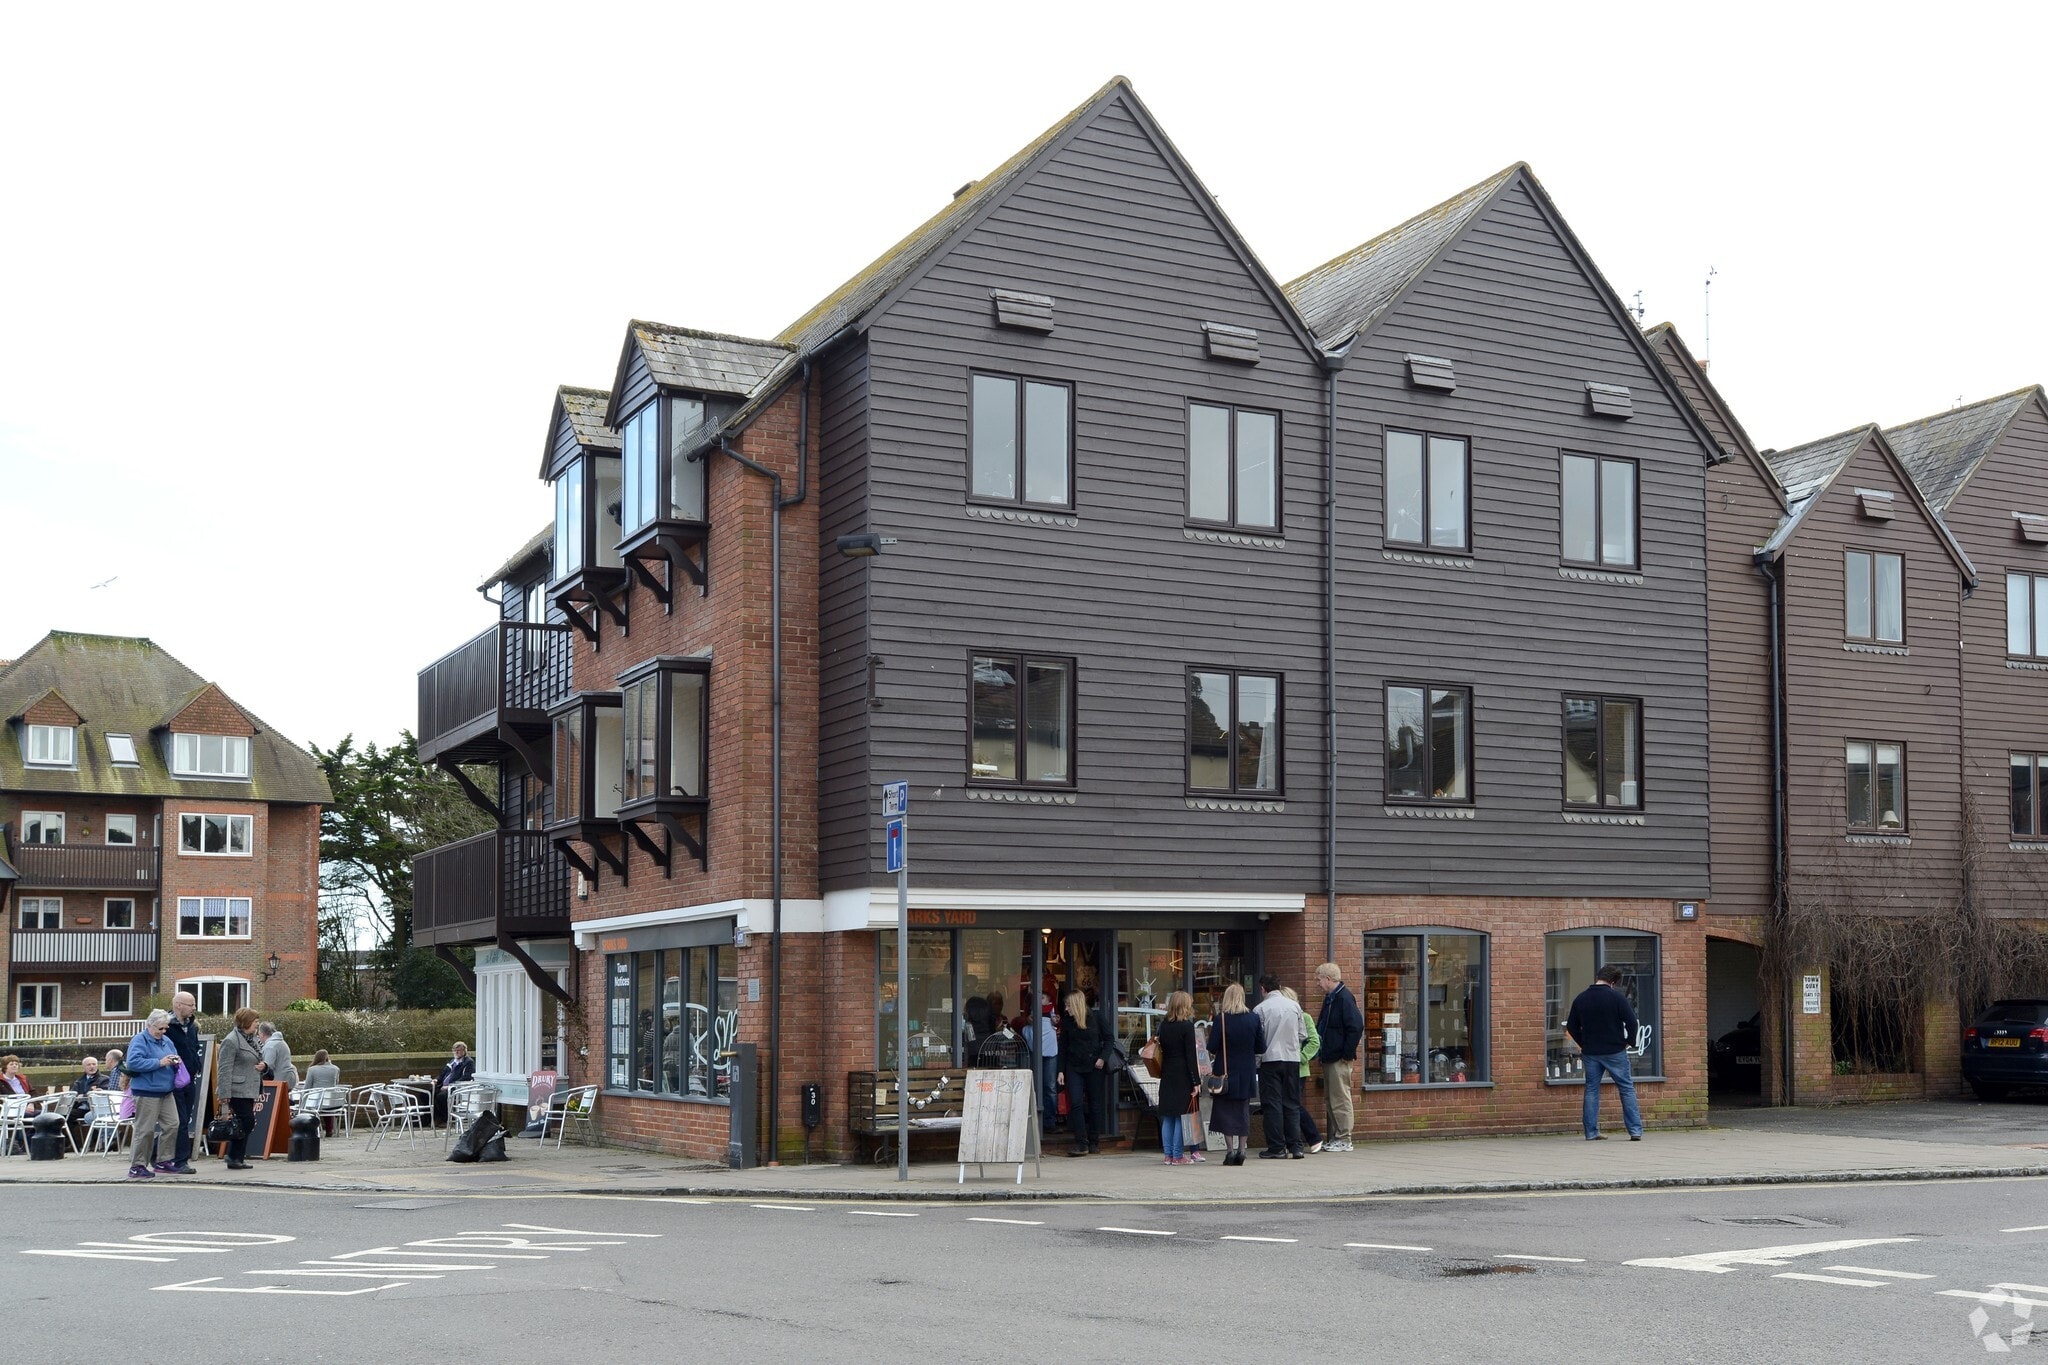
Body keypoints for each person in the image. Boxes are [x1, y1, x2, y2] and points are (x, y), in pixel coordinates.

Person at [1565, 964, 1643, 1141]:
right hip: (1615, 1050)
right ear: (1613, 982)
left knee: (1592, 1090)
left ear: (1598, 977)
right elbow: (1632, 1022)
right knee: (1626, 1088)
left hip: (1591, 1052)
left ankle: (1591, 1132)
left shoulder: (1581, 998)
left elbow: (1571, 1026)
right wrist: (1629, 1042)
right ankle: (1635, 1131)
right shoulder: (1616, 997)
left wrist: (1584, 1043)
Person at [1206, 983, 1265, 1166]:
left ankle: (1230, 1151)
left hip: (1225, 1072)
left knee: (1225, 1111)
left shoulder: (1221, 1019)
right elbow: (1261, 1047)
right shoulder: (1253, 1019)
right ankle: (1242, 1150)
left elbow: (1212, 1047)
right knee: (1243, 1111)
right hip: (1246, 1071)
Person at [124, 1010, 187, 1178]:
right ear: (149, 1025)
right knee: (145, 1130)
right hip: (146, 1091)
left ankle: (163, 1161)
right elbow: (133, 1063)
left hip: (166, 1090)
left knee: (173, 1124)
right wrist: (159, 1062)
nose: (163, 1032)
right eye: (160, 1028)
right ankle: (137, 1165)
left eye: (165, 1028)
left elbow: (174, 1055)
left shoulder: (166, 1041)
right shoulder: (139, 1040)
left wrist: (176, 1060)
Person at [1253, 973, 1308, 1159]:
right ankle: (1296, 1147)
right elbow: (1302, 1035)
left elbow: (1258, 1041)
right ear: (1279, 985)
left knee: (1272, 1105)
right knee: (1292, 1103)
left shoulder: (1260, 1009)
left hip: (1270, 1060)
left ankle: (1277, 1147)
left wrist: (1257, 1061)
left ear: (1263, 988)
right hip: (1291, 1059)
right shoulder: (1294, 1006)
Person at [1315, 962, 1363, 1153]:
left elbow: (1356, 1026)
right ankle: (1338, 1136)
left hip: (1338, 1058)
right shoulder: (1333, 998)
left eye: (1318, 979)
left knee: (1340, 1098)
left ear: (1328, 979)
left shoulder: (1343, 998)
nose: (1317, 983)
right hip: (1331, 1055)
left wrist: (1346, 1053)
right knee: (1331, 1098)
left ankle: (1344, 1138)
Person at [1058, 990, 1111, 1156]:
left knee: (1095, 1104)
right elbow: (1063, 1048)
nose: (1066, 1009)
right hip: (1074, 1066)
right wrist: (1060, 1070)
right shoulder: (1067, 1022)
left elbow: (1109, 1039)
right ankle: (1081, 1143)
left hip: (1095, 1066)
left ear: (1076, 1004)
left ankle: (1094, 1141)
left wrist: (1103, 1058)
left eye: (1068, 1005)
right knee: (1075, 1103)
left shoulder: (1096, 1017)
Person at [1152, 991, 1200, 1166]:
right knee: (1181, 1114)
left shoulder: (1164, 1025)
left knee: (1169, 1116)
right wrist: (1196, 1082)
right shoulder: (1186, 1026)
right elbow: (1191, 1057)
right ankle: (1178, 1155)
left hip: (1167, 1072)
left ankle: (1168, 1155)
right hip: (1182, 1074)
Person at [216, 1008, 265, 1171]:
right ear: (246, 1021)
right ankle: (234, 1155)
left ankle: (237, 1157)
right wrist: (224, 1094)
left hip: (250, 1088)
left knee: (244, 1122)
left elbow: (258, 1059)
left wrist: (264, 1066)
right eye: (255, 1021)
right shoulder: (231, 1041)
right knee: (247, 1121)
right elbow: (224, 1068)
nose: (257, 1024)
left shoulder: (253, 1039)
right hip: (236, 1089)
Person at [1279, 987, 1323, 1153]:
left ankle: (1314, 1137)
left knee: (1293, 1105)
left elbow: (1314, 1041)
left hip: (1298, 1069)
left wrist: (1301, 1058)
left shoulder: (1304, 1017)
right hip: (1282, 1066)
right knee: (1286, 1105)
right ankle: (1291, 1140)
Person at [164, 990, 203, 1174]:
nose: (194, 1008)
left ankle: (156, 1152)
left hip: (190, 1080)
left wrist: (197, 1066)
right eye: (191, 1004)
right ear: (178, 1005)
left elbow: (193, 1048)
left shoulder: (192, 1026)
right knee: (179, 1122)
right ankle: (180, 1161)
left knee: (184, 1120)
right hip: (174, 1081)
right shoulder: (166, 1027)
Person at [434, 1042, 474, 1125]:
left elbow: (466, 1078)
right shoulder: (453, 1061)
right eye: (455, 1050)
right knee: (426, 1095)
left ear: (464, 1051)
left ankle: (447, 1119)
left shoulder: (468, 1062)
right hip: (443, 1086)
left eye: (459, 1050)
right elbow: (443, 1074)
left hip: (456, 1088)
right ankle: (434, 1118)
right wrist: (436, 1080)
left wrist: (449, 1086)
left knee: (441, 1097)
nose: (456, 1052)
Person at [256, 1021, 298, 1092]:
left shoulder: (270, 1046)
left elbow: (268, 1067)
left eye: (259, 1034)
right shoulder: (282, 1042)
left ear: (262, 1034)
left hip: (278, 1082)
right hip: (288, 1078)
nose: (259, 1037)